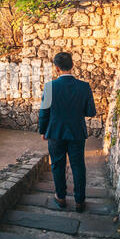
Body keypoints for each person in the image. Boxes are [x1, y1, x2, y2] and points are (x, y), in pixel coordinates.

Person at [38, 52, 96, 213]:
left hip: (55, 132)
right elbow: (91, 112)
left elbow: (44, 112)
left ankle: (61, 197)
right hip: (77, 132)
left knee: (57, 164)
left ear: (56, 68)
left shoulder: (50, 87)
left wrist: (43, 130)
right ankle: (80, 201)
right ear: (72, 65)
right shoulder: (84, 86)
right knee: (78, 166)